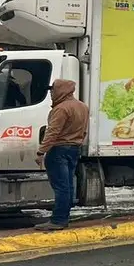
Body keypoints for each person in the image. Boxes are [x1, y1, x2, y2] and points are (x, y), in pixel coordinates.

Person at [34, 78, 89, 231]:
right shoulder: (82, 107)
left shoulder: (61, 109)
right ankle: (64, 217)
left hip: (58, 150)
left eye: (53, 89)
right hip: (74, 149)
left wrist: (41, 151)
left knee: (61, 187)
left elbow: (52, 132)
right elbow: (84, 131)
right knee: (68, 186)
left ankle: (58, 220)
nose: (51, 93)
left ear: (62, 90)